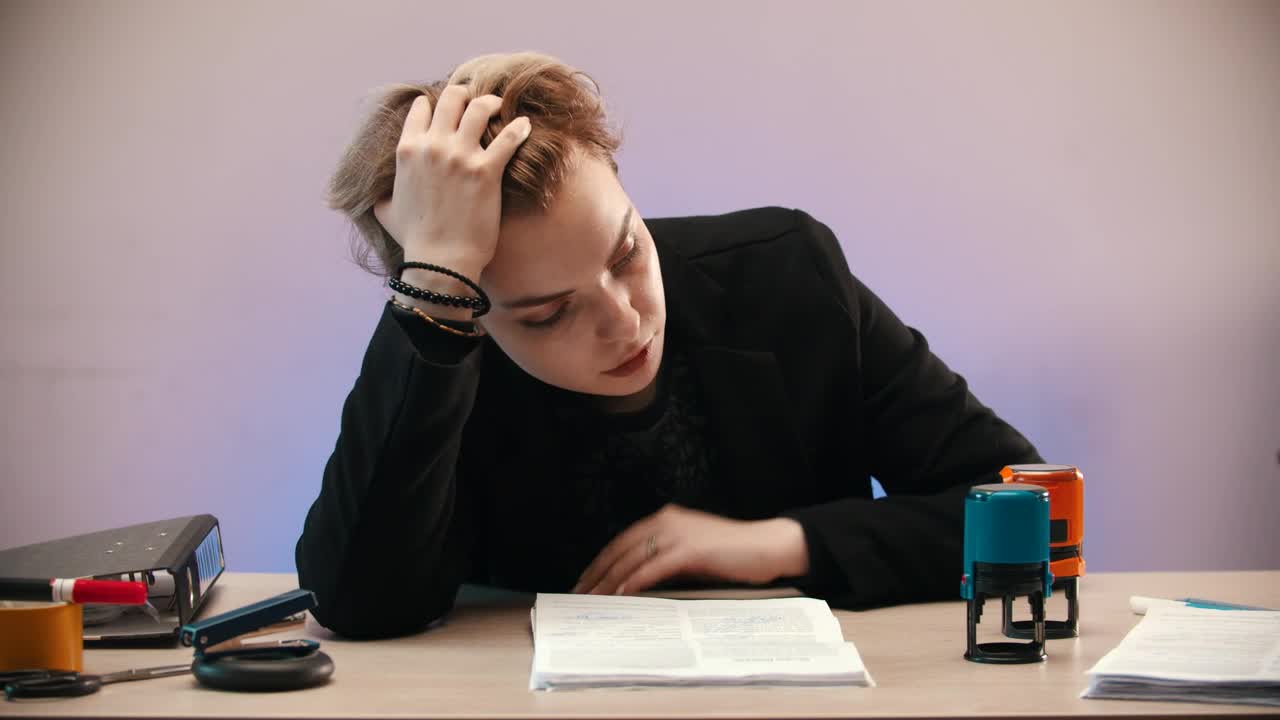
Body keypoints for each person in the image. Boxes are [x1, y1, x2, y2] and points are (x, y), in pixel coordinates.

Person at [296, 52, 1043, 639]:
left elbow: (1024, 504)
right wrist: (436, 293)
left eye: (626, 253)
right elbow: (358, 603)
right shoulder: (442, 346)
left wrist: (783, 543)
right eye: (548, 314)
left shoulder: (786, 271)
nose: (624, 322)